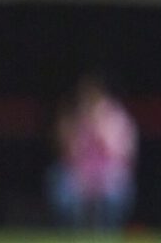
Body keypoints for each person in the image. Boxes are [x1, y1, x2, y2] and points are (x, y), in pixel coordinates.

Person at [47, 75, 138, 233]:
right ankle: (74, 234)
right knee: (59, 180)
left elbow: (124, 154)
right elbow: (68, 154)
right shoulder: (77, 118)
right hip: (80, 176)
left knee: (114, 186)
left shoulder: (116, 118)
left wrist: (101, 129)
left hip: (108, 176)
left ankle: (107, 234)